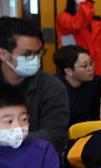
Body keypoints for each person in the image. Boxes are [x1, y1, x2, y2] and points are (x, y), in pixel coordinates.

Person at [0, 17, 69, 153]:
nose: (35, 59)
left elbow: (54, 135)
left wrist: (10, 140)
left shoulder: (52, 87)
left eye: (39, 53)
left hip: (35, 158)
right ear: (3, 54)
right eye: (27, 54)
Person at [54, 44, 101, 125]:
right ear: (69, 71)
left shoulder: (93, 81)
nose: (91, 68)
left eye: (91, 63)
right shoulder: (53, 89)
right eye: (85, 66)